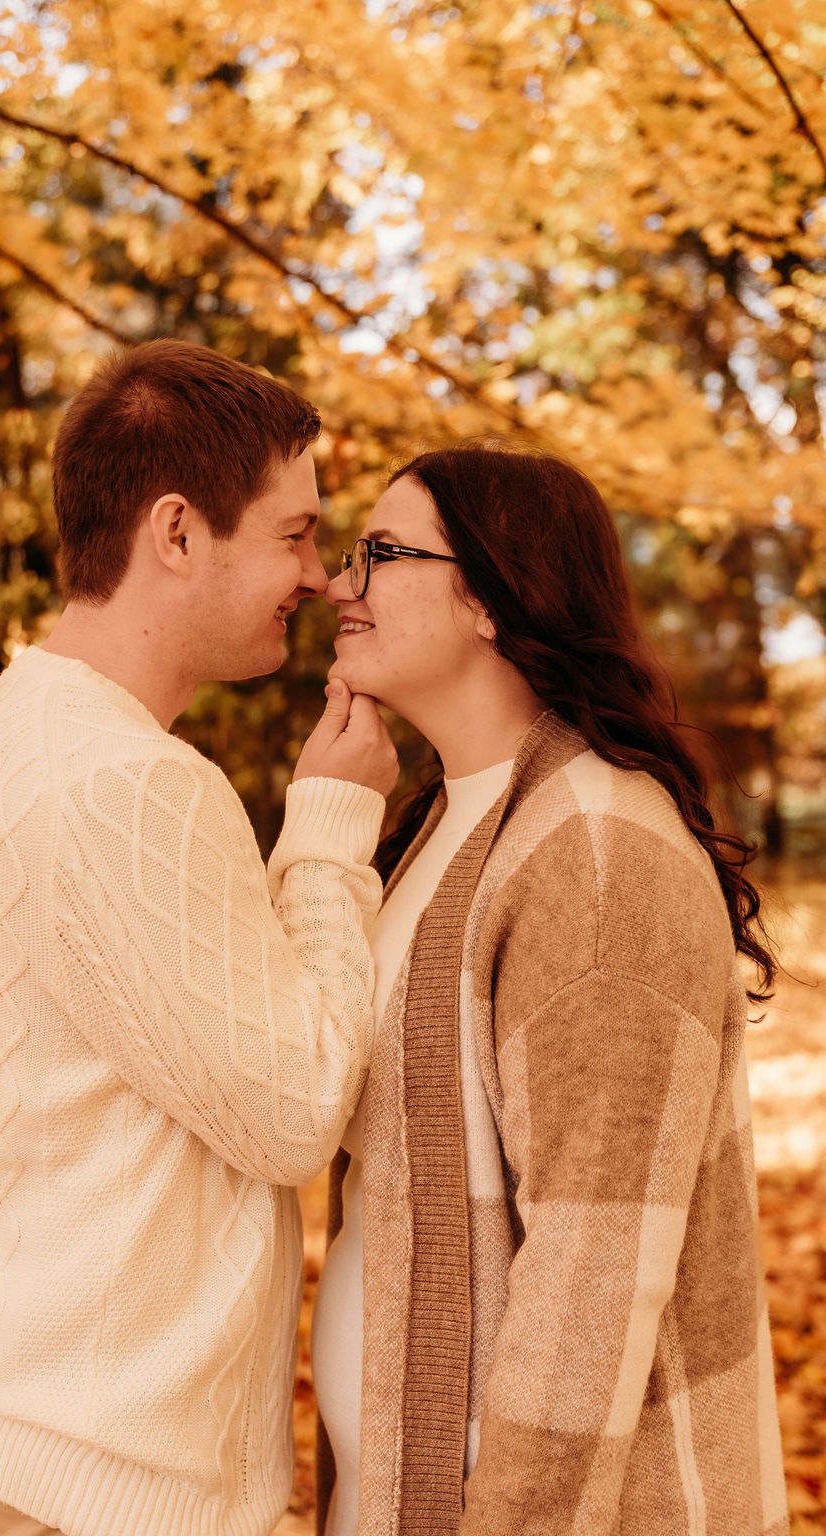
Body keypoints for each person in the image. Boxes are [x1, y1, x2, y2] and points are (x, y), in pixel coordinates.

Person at [0, 339, 398, 1536]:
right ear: (175, 532)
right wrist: (330, 827)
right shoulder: (132, 783)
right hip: (103, 1482)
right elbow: (293, 1113)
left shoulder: (16, 726)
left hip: (16, 1442)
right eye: (292, 535)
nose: (323, 578)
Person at [311, 440, 789, 1536]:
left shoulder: (594, 852)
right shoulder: (447, 825)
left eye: (381, 553)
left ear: (488, 594)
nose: (343, 583)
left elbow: (593, 1268)